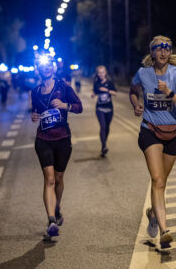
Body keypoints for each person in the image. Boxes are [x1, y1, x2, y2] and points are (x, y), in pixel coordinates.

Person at [129, 35, 176, 248]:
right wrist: (136, 104)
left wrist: (169, 93)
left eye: (167, 48)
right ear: (152, 52)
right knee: (157, 180)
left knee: (162, 182)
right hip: (150, 131)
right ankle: (165, 231)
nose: (164, 52)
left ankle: (153, 213)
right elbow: (133, 91)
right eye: (159, 48)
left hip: (174, 134)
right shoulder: (142, 74)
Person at [30, 56, 83, 238]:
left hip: (62, 138)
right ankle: (51, 220)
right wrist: (34, 116)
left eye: (50, 65)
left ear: (53, 68)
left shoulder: (63, 87)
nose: (47, 68)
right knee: (50, 179)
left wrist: (64, 105)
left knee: (59, 178)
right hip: (43, 139)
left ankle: (57, 206)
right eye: (43, 66)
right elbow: (36, 111)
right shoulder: (35, 91)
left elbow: (79, 107)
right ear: (38, 68)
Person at [91, 66, 117, 157]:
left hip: (109, 109)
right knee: (103, 126)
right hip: (99, 108)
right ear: (97, 74)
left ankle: (104, 142)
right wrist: (93, 94)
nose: (101, 74)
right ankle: (104, 146)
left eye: (102, 72)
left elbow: (115, 93)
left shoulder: (109, 82)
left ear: (105, 73)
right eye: (99, 73)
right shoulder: (96, 83)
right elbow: (95, 92)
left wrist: (107, 90)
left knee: (107, 127)